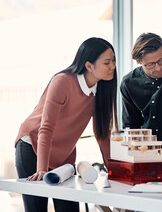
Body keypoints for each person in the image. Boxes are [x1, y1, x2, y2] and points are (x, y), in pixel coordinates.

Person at [14, 37, 118, 212]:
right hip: (33, 145)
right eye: (107, 62)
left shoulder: (102, 90)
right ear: (89, 65)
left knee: (69, 208)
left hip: (63, 155)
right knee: (36, 209)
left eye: (114, 60)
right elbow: (45, 128)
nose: (113, 66)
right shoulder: (63, 81)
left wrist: (114, 171)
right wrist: (41, 169)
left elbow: (102, 135)